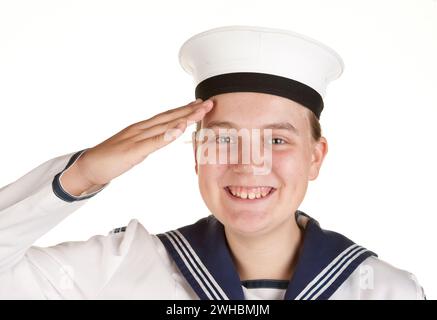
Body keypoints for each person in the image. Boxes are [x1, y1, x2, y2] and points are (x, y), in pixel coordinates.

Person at [0, 26, 425, 300]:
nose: (248, 164)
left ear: (315, 157)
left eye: (276, 139)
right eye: (223, 138)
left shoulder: (386, 291)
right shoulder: (123, 267)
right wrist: (84, 174)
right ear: (196, 154)